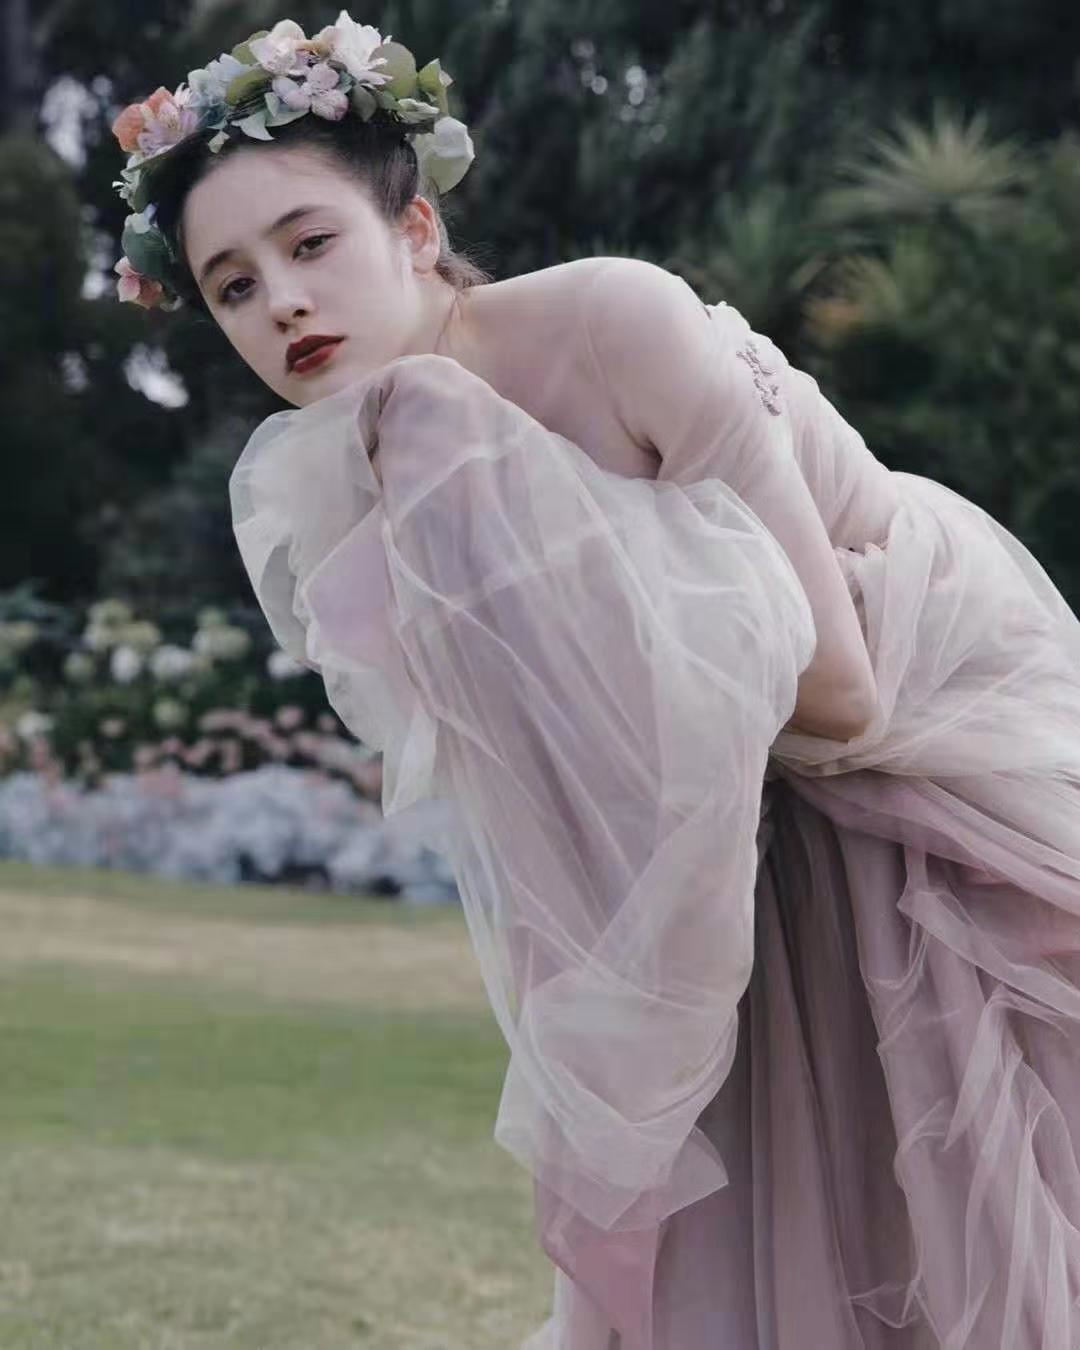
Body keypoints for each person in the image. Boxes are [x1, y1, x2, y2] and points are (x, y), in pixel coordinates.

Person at [111, 15, 1080, 1349]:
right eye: (232, 286)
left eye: (310, 243)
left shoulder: (614, 320)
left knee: (960, 1203)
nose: (280, 301)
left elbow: (843, 693)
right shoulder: (377, 472)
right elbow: (534, 800)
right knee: (739, 1248)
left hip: (917, 749)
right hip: (724, 823)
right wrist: (594, 1064)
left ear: (416, 230)